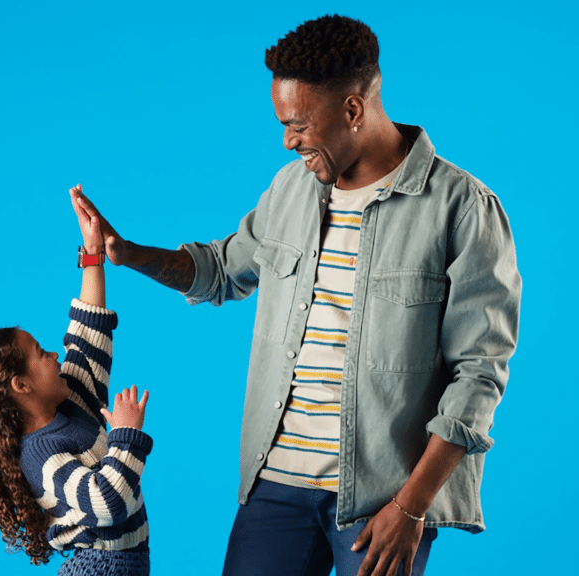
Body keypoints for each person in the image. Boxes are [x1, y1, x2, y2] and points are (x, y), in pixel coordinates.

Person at [88, 14, 521, 576]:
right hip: (276, 488)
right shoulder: (292, 188)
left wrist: (412, 509)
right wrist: (129, 254)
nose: (288, 141)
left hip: (381, 500)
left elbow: (479, 376)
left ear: (352, 110)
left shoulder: (461, 207)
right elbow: (222, 269)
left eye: (298, 125)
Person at [0, 185, 154, 576]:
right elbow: (106, 503)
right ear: (21, 385)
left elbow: (88, 331)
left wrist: (92, 252)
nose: (53, 354)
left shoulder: (71, 397)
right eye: (39, 353)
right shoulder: (41, 457)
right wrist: (126, 436)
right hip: (101, 569)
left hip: (124, 564)